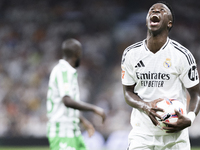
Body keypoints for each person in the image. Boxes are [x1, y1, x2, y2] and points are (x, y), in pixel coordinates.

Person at [121, 2, 200, 150]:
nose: (155, 10)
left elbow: (196, 93)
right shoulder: (131, 54)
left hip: (175, 138)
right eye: (152, 10)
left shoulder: (182, 55)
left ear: (169, 23)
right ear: (147, 21)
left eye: (162, 10)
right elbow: (128, 92)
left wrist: (190, 119)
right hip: (142, 135)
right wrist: (145, 106)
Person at [46, 38, 106, 150]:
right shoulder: (64, 71)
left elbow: (68, 105)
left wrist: (84, 121)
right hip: (62, 130)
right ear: (78, 53)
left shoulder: (68, 71)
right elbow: (67, 101)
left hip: (72, 130)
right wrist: (94, 109)